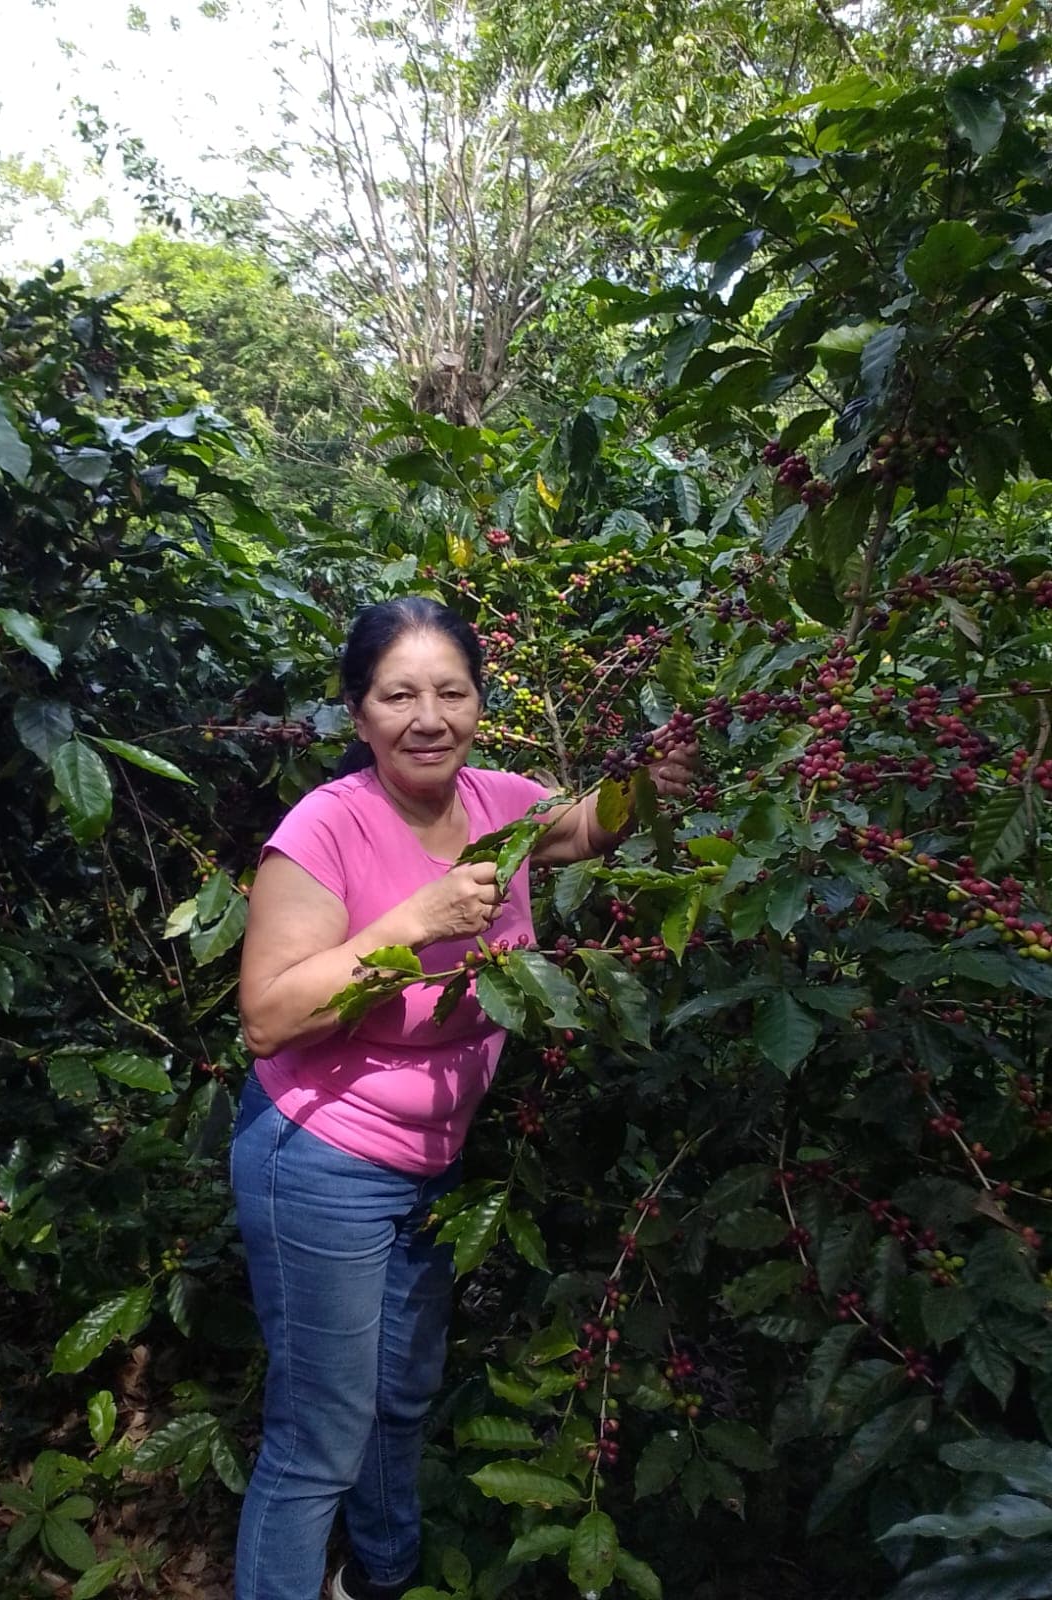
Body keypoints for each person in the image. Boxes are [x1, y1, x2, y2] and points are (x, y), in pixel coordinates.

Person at [231, 597, 694, 1600]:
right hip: (321, 1158)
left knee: (400, 1397)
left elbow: (578, 826)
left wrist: (645, 785)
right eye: (398, 694)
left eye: (451, 690)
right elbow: (268, 1015)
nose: (427, 716)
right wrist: (415, 918)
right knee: (319, 1437)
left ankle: (382, 1579)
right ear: (358, 713)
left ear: (482, 702)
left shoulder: (499, 806)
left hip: (432, 1163)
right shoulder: (325, 828)